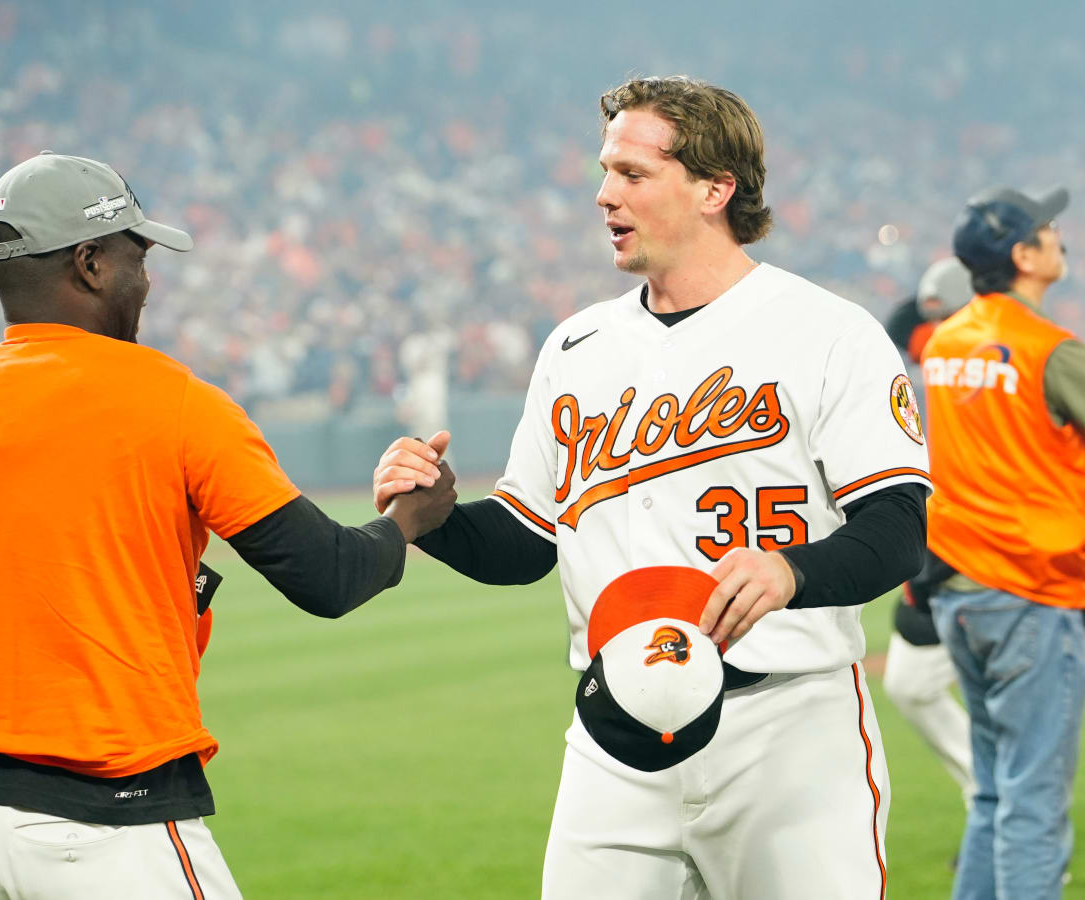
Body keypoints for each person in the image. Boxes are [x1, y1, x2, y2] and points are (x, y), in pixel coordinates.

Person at [372, 76, 930, 899]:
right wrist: (437, 513)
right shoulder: (578, 346)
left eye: (633, 174)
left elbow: (896, 529)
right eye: (606, 171)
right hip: (614, 732)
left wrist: (793, 570)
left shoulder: (827, 332)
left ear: (715, 188)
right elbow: (526, 545)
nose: (604, 195)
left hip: (788, 727)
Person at [0, 152, 455, 900]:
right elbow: (331, 577)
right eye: (136, 253)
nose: (146, 280)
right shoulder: (175, 402)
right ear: (89, 263)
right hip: (111, 822)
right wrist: (410, 517)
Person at [922, 185, 1085, 900]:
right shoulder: (1049, 349)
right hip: (1032, 590)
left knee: (993, 793)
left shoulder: (948, 340)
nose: (1058, 236)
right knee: (1033, 805)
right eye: (1045, 230)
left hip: (959, 588)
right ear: (1023, 255)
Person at [881, 258, 976, 814]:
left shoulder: (991, 364)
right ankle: (992, 803)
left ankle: (1008, 823)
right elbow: (901, 323)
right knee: (912, 684)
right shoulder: (932, 364)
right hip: (946, 552)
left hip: (991, 561)